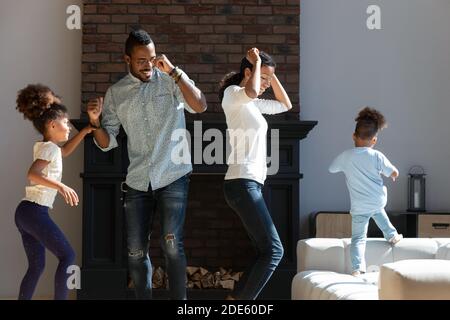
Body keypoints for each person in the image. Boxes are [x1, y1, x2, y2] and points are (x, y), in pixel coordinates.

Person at [87, 29, 207, 300]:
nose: (148, 65)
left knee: (172, 245)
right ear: (126, 59)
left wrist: (175, 72)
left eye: (152, 58)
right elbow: (107, 142)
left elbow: (199, 106)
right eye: (141, 60)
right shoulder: (116, 93)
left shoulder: (170, 80)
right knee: (135, 251)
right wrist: (94, 123)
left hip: (174, 175)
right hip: (138, 180)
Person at [219, 48, 292, 299]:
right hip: (242, 183)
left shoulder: (254, 105)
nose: (265, 86)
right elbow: (249, 90)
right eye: (262, 79)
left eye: (268, 82)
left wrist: (271, 74)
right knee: (274, 251)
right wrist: (258, 62)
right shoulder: (233, 95)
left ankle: (235, 299)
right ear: (248, 72)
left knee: (265, 250)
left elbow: (285, 104)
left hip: (249, 184)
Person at [15, 84, 95, 299]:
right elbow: (32, 174)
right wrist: (61, 186)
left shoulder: (47, 147)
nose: (69, 127)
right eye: (66, 123)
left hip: (25, 213)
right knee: (68, 255)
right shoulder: (49, 149)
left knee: (37, 266)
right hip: (34, 212)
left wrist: (86, 132)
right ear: (52, 125)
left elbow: (65, 152)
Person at [329, 107, 403, 276]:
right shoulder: (377, 156)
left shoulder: (346, 156)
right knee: (378, 210)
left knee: (358, 239)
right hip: (377, 200)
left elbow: (332, 168)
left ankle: (357, 268)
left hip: (359, 206)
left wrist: (345, 166)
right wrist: (393, 174)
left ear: (354, 136)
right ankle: (392, 235)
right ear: (374, 140)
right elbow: (393, 171)